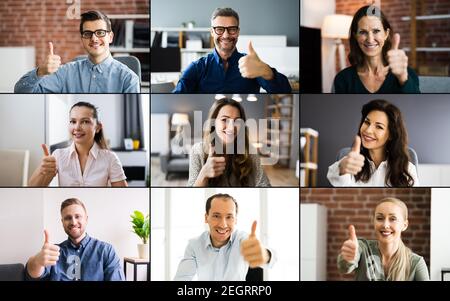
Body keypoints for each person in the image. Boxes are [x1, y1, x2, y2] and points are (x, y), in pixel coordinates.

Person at [14, 10, 139, 93]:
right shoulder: (65, 72)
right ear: (82, 38)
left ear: (110, 37)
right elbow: (20, 91)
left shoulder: (128, 79)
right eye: (87, 33)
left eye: (100, 32)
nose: (94, 38)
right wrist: (40, 71)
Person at [173, 7, 291, 93]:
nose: (226, 35)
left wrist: (266, 71)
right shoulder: (197, 67)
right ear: (212, 32)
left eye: (232, 29)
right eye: (219, 29)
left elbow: (285, 91)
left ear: (238, 32)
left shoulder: (251, 65)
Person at [173, 193, 276, 281]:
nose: (223, 225)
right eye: (216, 216)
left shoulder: (243, 239)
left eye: (229, 217)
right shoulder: (194, 245)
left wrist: (265, 255)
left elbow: (272, 258)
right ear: (206, 218)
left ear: (235, 220)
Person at [28, 101, 127, 187]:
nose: (77, 127)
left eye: (85, 121)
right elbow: (31, 189)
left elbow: (124, 195)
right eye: (73, 121)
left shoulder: (110, 158)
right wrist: (42, 171)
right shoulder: (58, 155)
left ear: (98, 127)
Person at [26, 198, 124, 281]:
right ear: (62, 222)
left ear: (86, 219)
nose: (73, 222)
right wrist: (37, 261)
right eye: (68, 218)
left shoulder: (106, 251)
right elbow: (32, 276)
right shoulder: (53, 252)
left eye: (78, 216)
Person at [327, 99, 418, 187]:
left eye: (379, 127)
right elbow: (336, 180)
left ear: (391, 135)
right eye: (366, 122)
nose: (368, 130)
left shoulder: (407, 169)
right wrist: (342, 169)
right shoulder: (350, 162)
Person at [337, 198, 429, 281]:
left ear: (404, 225)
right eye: (380, 218)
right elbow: (344, 268)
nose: (385, 225)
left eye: (393, 219)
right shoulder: (362, 247)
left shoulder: (416, 263)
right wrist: (348, 259)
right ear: (374, 222)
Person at [333, 5, 419, 93]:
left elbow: (417, 104)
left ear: (386, 34)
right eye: (363, 32)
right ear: (355, 36)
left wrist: (402, 77)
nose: (370, 39)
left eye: (376, 31)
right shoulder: (343, 79)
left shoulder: (407, 74)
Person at [187, 98, 270, 187]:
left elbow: (264, 185)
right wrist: (203, 175)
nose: (231, 127)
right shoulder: (197, 150)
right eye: (224, 120)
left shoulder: (249, 152)